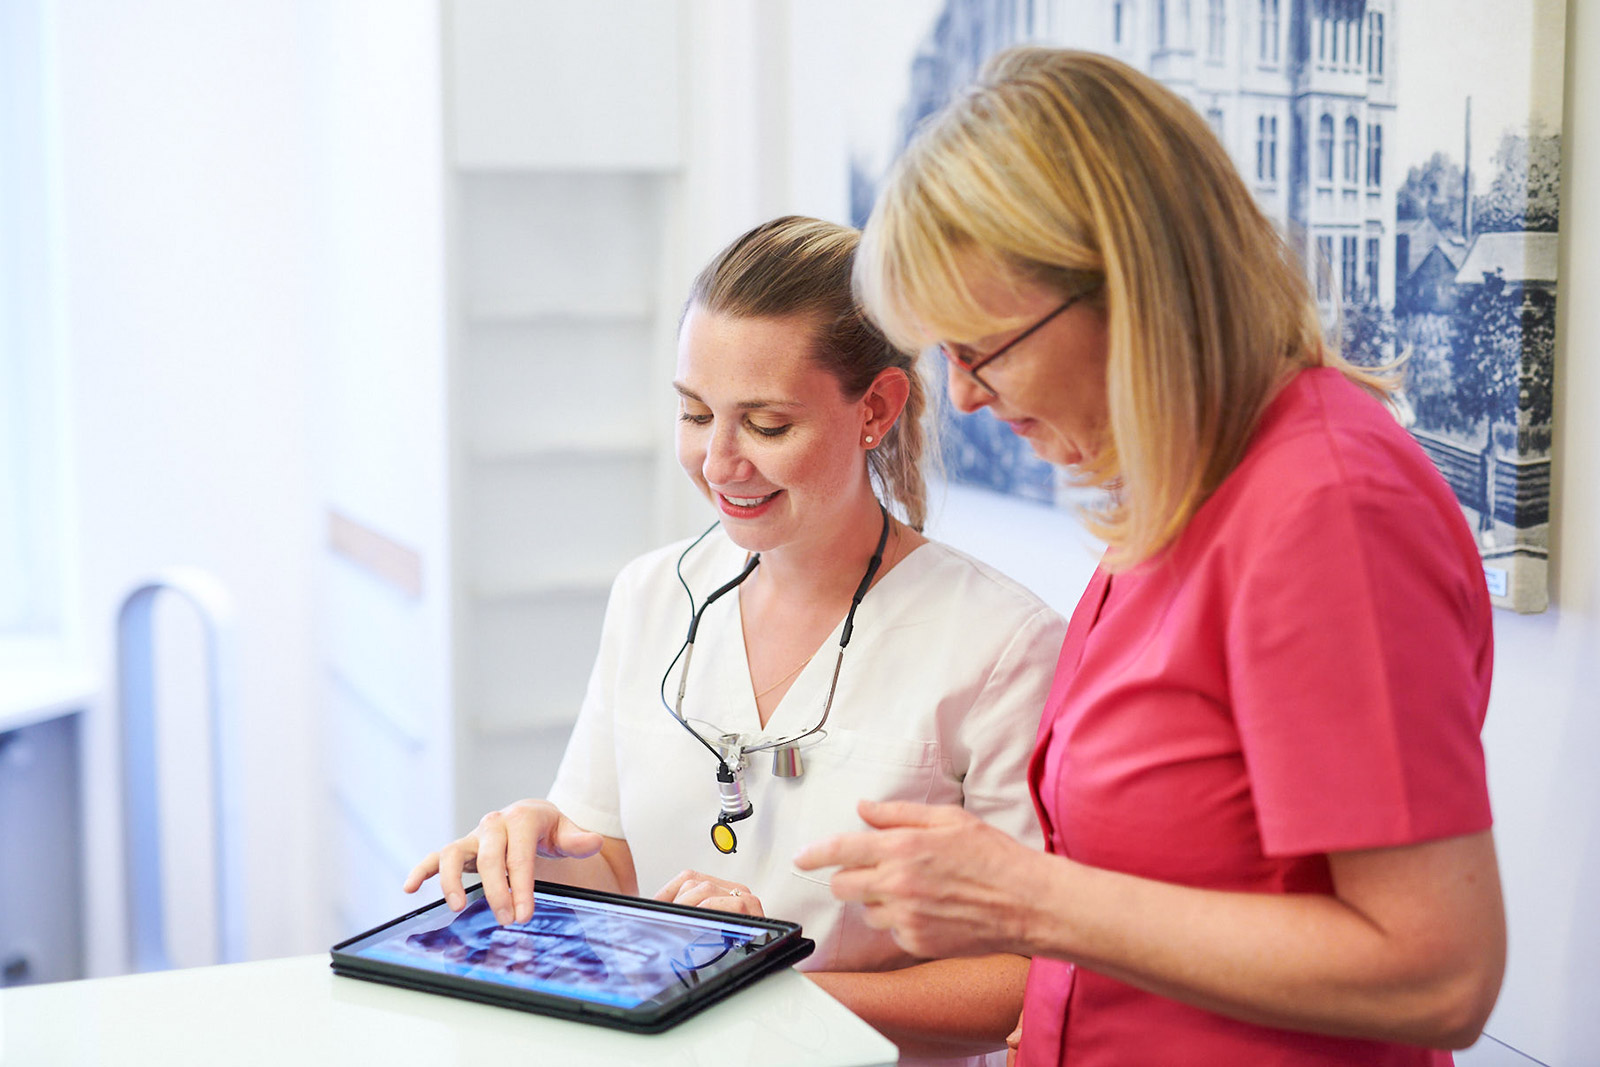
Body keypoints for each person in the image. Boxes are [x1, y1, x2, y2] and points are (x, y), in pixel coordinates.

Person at [795, 48, 1505, 1066]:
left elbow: (1438, 969)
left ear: (1128, 285)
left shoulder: (1326, 509)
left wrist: (1024, 894)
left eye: (982, 349)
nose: (964, 398)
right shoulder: (1181, 495)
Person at [404, 215, 1067, 1065]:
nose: (718, 462)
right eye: (694, 413)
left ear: (876, 409)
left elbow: (1033, 974)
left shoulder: (1002, 645)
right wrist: (536, 854)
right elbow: (615, 864)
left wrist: (769, 984)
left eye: (766, 424)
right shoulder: (650, 595)